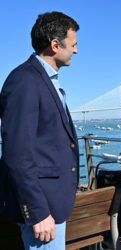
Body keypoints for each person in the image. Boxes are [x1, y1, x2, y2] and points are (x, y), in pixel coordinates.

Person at [0, 11, 79, 249]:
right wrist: (37, 212)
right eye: (73, 45)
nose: (76, 50)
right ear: (55, 45)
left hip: (53, 203)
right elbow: (17, 153)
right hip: (43, 210)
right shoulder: (24, 81)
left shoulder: (46, 81)